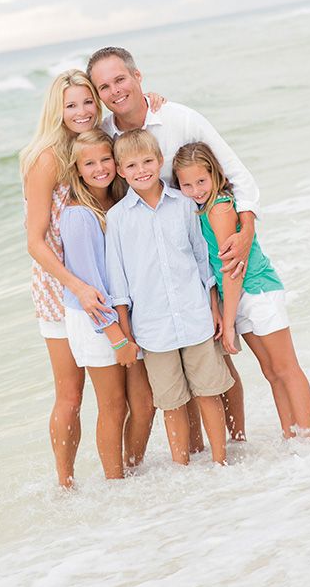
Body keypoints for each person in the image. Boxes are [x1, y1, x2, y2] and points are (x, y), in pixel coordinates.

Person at [87, 45, 254, 442]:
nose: (115, 91)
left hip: (203, 258)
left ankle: (239, 445)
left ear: (138, 76)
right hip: (153, 283)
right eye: (104, 86)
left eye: (120, 79)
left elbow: (237, 176)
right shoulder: (106, 136)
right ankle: (197, 456)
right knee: (178, 391)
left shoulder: (180, 118)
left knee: (217, 371)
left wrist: (246, 232)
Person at [20, 70, 163, 488]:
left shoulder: (95, 142)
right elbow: (35, 240)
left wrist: (149, 100)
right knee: (70, 392)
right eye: (70, 105)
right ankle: (65, 483)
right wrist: (77, 287)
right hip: (58, 282)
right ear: (56, 110)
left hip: (98, 279)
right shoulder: (46, 157)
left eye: (87, 102)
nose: (81, 111)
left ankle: (121, 471)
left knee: (119, 395)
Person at [172, 141, 310, 439]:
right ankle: (292, 436)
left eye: (202, 181)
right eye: (187, 185)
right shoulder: (201, 210)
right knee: (271, 372)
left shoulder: (220, 209)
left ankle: (309, 436)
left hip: (257, 290)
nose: (196, 190)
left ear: (215, 175)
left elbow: (232, 270)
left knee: (286, 368)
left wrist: (227, 322)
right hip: (237, 298)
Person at [105, 129, 232, 465]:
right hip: (153, 328)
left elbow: (203, 261)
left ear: (160, 162)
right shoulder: (117, 219)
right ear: (120, 170)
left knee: (209, 393)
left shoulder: (184, 206)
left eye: (148, 161)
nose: (141, 169)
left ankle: (221, 463)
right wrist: (125, 332)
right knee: (171, 403)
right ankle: (183, 471)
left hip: (195, 318)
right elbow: (118, 282)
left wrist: (214, 308)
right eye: (131, 165)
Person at [60, 129, 155, 478]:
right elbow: (90, 288)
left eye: (105, 159)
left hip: (124, 316)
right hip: (96, 321)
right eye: (89, 163)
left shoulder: (117, 201)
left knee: (144, 404)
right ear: (77, 169)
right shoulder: (78, 216)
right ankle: (116, 482)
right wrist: (117, 338)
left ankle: (134, 469)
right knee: (113, 406)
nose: (100, 168)